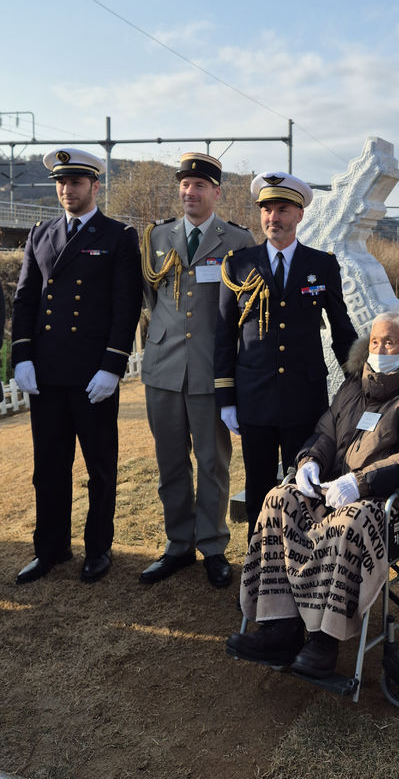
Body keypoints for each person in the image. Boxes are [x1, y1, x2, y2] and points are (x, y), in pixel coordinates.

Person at [226, 311, 399, 677]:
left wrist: (361, 482)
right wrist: (309, 462)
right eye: (375, 342)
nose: (380, 349)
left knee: (349, 522)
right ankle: (280, 626)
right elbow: (325, 433)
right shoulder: (352, 388)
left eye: (390, 342)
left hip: (390, 505)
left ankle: (323, 639)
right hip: (334, 491)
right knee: (276, 501)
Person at [11, 147, 143, 584]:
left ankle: (98, 548)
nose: (67, 190)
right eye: (61, 183)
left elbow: (127, 305)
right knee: (48, 466)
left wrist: (112, 365)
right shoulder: (40, 233)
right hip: (47, 373)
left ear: (95, 185)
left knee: (100, 467)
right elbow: (26, 298)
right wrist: (22, 355)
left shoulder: (118, 235)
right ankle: (50, 548)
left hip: (92, 376)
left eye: (77, 182)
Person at [214, 170, 357, 537]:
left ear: (299, 215)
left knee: (304, 487)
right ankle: (258, 575)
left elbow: (342, 331)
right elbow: (225, 335)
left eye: (282, 209)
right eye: (266, 209)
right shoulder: (238, 264)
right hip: (254, 397)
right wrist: (226, 397)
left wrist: (359, 382)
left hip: (303, 397)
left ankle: (301, 571)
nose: (272, 218)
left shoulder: (322, 265)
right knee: (259, 488)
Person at [139, 152, 255, 588]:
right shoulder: (156, 237)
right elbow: (152, 301)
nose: (190, 192)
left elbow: (242, 311)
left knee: (212, 463)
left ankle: (213, 546)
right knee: (170, 462)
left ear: (216, 192)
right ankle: (177, 545)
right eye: (185, 185)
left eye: (200, 185)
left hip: (211, 371)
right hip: (163, 368)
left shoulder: (237, 241)